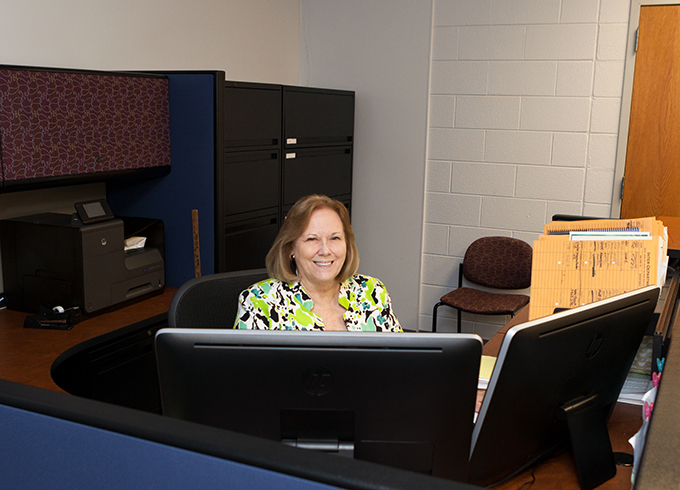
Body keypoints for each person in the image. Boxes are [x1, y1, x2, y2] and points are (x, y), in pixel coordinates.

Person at [234, 194, 401, 332]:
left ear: (347, 244)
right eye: (312, 239)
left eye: (334, 238)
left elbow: (402, 362)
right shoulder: (259, 301)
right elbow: (244, 370)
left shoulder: (372, 292)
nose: (325, 250)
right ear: (290, 248)